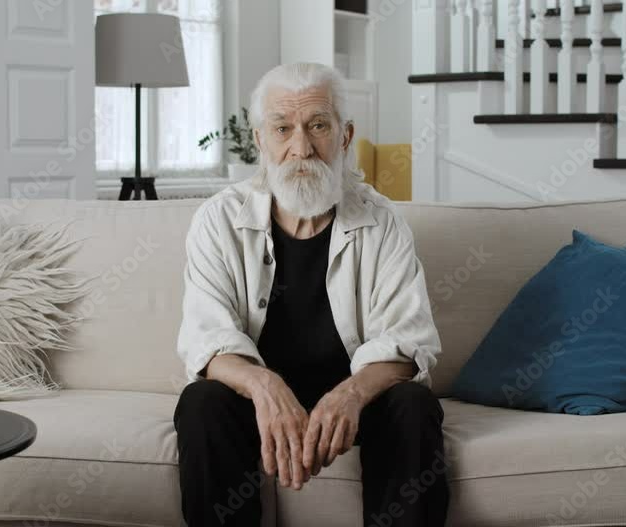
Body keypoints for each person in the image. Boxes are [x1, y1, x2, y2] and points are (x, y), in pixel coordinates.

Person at [174, 62, 448, 527]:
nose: (301, 148)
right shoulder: (218, 220)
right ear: (261, 139)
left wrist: (350, 394)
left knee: (414, 405)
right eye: (283, 128)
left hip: (356, 403)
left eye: (318, 125)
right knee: (201, 403)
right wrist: (265, 387)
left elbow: (410, 339)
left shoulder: (383, 224)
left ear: (344, 136)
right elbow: (206, 340)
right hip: (254, 403)